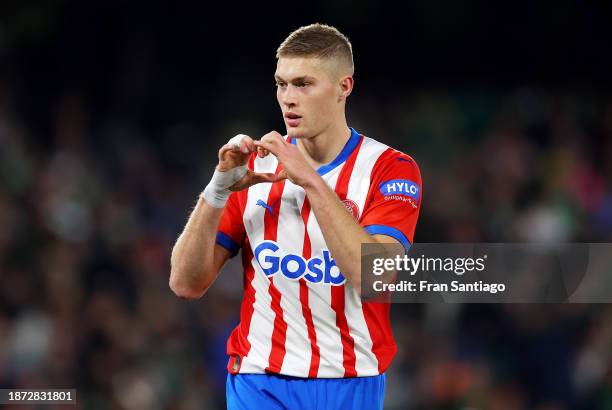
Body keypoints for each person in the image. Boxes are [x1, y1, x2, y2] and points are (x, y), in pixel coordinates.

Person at [170, 23, 422, 410]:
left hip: (350, 381)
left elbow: (374, 274)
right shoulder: (256, 168)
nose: (288, 98)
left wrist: (310, 181)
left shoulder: (390, 170)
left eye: (303, 84)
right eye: (281, 84)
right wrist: (217, 189)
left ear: (344, 87)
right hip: (258, 379)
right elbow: (186, 283)